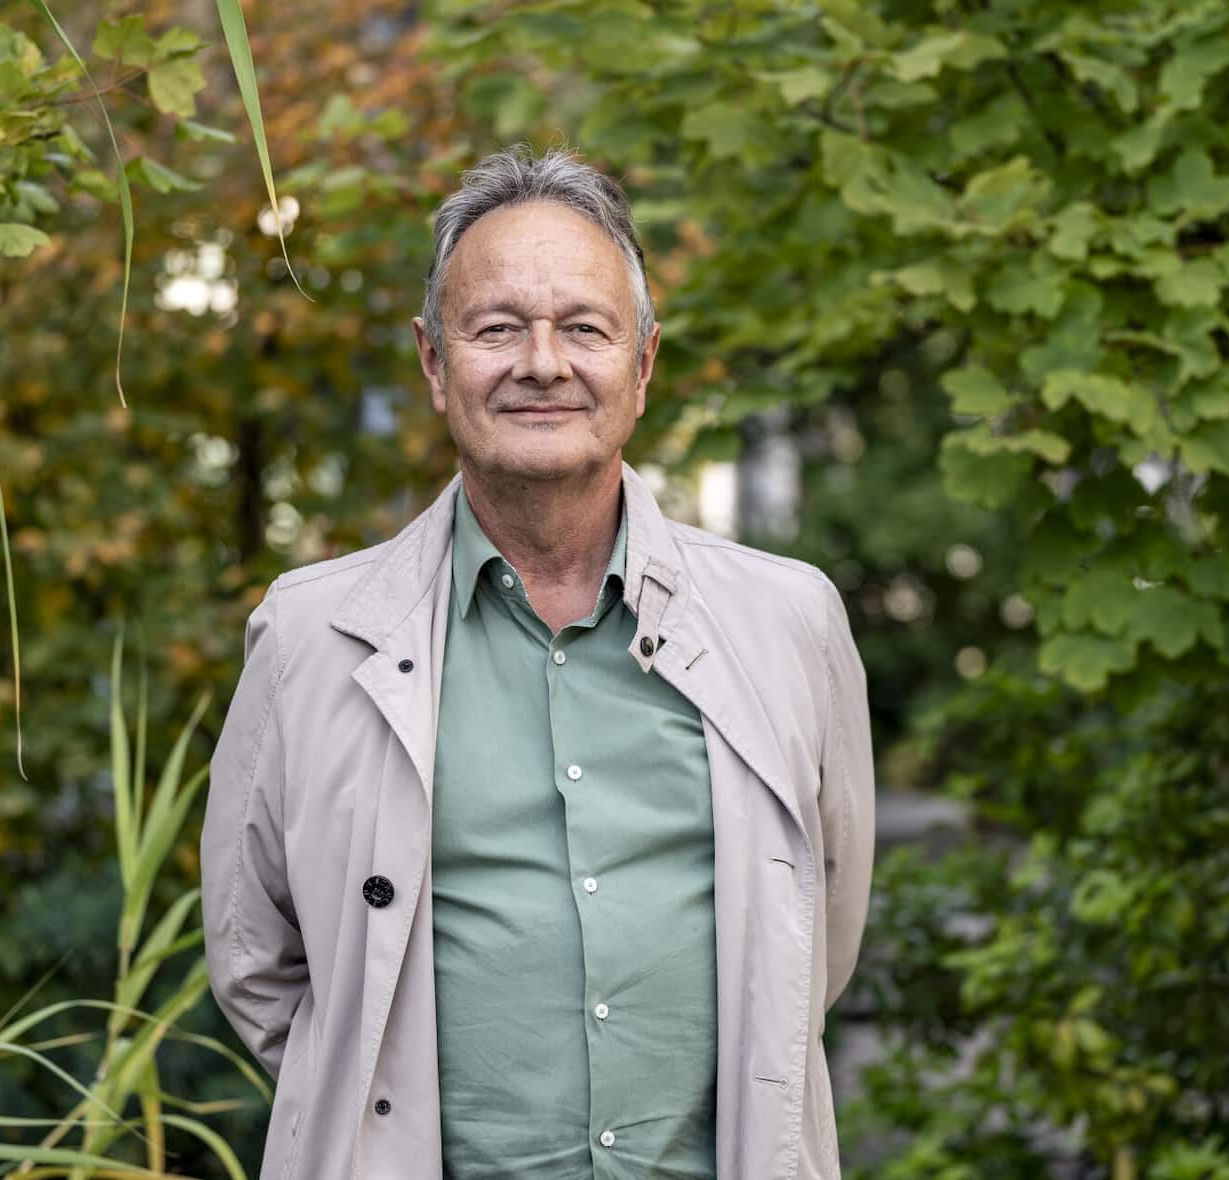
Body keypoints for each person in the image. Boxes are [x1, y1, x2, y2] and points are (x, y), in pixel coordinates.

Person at [201, 144, 875, 1180]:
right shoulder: (308, 639)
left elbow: (811, 939)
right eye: (498, 328)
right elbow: (257, 962)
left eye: (585, 329)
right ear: (433, 362)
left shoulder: (788, 624)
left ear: (642, 365)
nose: (543, 363)